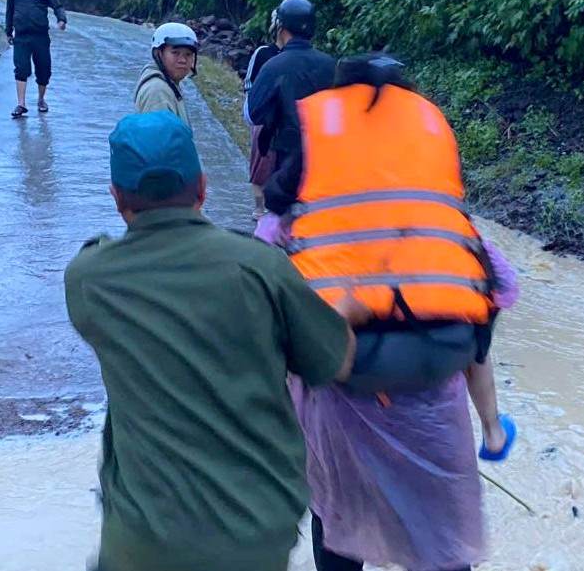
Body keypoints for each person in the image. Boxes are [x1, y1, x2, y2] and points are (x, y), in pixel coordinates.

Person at [64, 110, 362, 571]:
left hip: (142, 541)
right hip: (255, 534)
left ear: (116, 197)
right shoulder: (261, 268)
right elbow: (337, 364)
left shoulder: (89, 278)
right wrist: (344, 309)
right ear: (203, 188)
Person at [267, 53, 519, 571]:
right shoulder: (448, 228)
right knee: (442, 545)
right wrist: (492, 427)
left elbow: (266, 313)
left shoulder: (291, 226)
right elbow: (487, 311)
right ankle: (492, 429)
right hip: (432, 415)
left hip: (336, 413)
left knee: (339, 531)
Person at [244, 0, 335, 216]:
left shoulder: (274, 65)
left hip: (286, 163)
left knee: (285, 225)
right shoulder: (332, 65)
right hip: (327, 161)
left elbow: (253, 114)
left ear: (280, 28)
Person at [5, 0, 67, 119]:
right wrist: (8, 31)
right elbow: (9, 12)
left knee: (44, 70)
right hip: (21, 37)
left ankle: (41, 99)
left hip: (40, 37)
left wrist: (61, 20)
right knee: (21, 69)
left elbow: (57, 6)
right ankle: (21, 104)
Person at [245, 17, 282, 218]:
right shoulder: (263, 53)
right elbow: (249, 84)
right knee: (261, 164)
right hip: (265, 118)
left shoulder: (296, 57)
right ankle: (259, 208)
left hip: (289, 121)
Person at [134, 23, 199, 128]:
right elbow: (158, 141)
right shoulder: (157, 91)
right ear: (158, 53)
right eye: (175, 53)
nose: (183, 60)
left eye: (188, 54)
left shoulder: (169, 83)